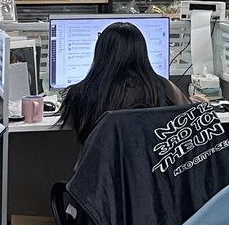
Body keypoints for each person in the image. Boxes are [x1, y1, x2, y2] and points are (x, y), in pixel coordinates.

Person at [59, 22, 190, 143]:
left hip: (100, 161)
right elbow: (189, 114)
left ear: (100, 53)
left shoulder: (80, 93)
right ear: (141, 52)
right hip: (151, 160)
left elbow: (70, 121)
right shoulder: (163, 88)